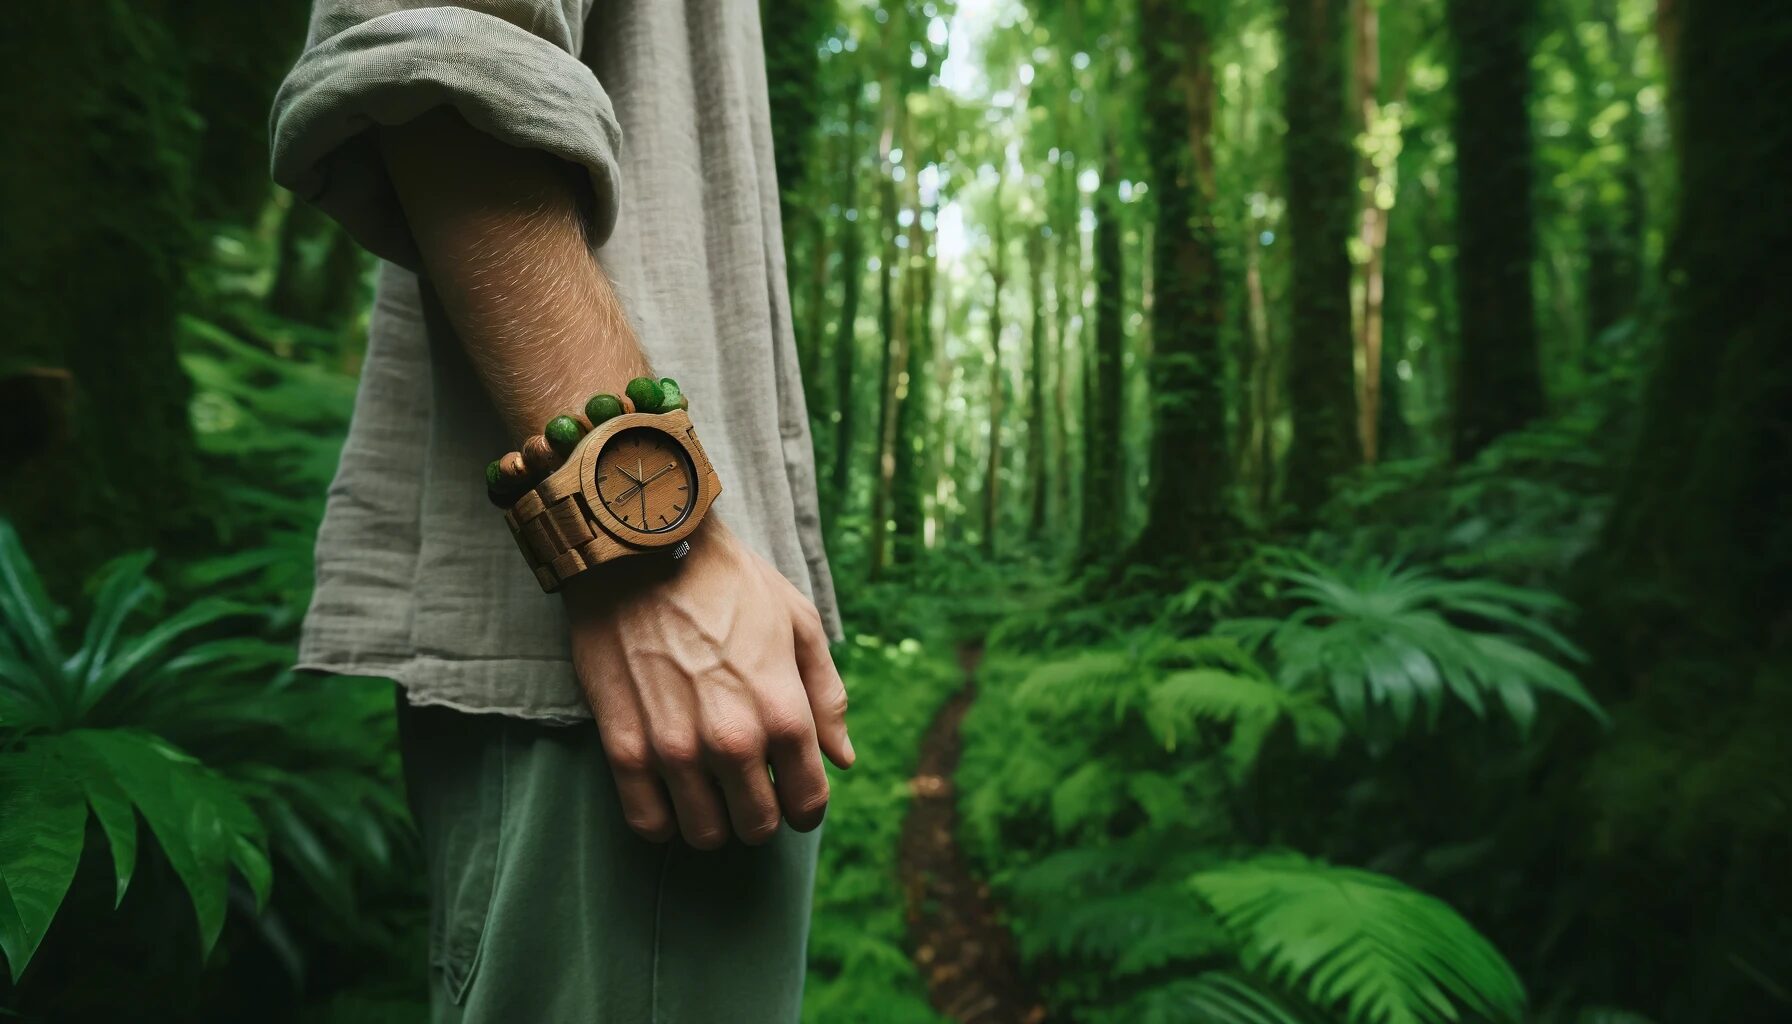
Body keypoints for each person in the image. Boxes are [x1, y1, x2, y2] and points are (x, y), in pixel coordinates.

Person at [270, 2, 852, 1019]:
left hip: (701, 660)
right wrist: (653, 560)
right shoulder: (655, 579)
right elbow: (435, 49)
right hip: (629, 651)